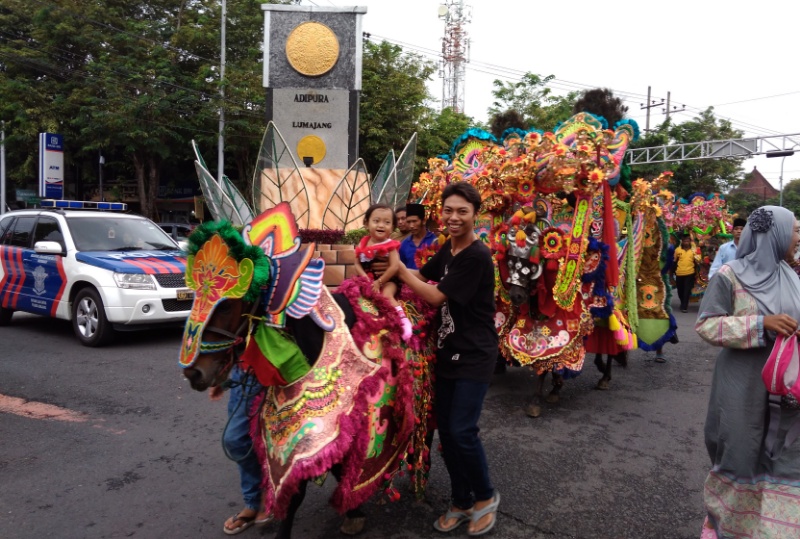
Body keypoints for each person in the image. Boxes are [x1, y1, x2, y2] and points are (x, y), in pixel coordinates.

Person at [396, 182, 500, 536]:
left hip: (475, 355)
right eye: (448, 210)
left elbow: (435, 296)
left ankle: (485, 497)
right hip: (446, 354)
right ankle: (461, 500)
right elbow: (418, 281)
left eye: (462, 211)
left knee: (462, 431)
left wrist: (398, 269)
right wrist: (382, 290)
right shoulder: (449, 249)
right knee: (447, 433)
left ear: (475, 215)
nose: (453, 218)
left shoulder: (476, 255)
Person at [695, 206, 800, 539]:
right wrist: (760, 324)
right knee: (740, 454)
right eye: (795, 230)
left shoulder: (792, 276)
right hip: (742, 388)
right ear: (776, 233)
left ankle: (773, 530)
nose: (798, 237)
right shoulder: (730, 274)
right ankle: (730, 529)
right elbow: (706, 324)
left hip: (788, 389)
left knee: (784, 458)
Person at [209, 366, 271, 535]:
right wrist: (221, 375)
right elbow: (231, 341)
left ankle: (266, 495)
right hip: (244, 373)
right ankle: (254, 502)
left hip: (273, 371)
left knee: (260, 439)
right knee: (243, 439)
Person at [354, 203, 413, 340]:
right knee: (355, 297)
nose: (381, 225)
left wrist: (379, 282)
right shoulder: (363, 243)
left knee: (386, 295)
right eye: (376, 221)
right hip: (367, 280)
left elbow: (394, 267)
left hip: (387, 280)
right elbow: (356, 263)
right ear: (366, 223)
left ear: (392, 227)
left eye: (387, 222)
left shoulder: (390, 245)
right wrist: (365, 279)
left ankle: (403, 321)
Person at [399, 203, 438, 269]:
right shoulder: (404, 245)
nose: (411, 226)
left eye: (414, 221)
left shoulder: (435, 241)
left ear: (423, 221)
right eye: (408, 222)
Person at [671, 233, 700, 313]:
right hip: (679, 273)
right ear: (682, 242)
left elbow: (697, 260)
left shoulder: (693, 250)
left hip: (690, 273)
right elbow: (674, 261)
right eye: (685, 241)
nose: (686, 243)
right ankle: (682, 302)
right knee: (680, 290)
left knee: (687, 290)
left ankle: (684, 306)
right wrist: (672, 272)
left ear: (690, 242)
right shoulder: (677, 250)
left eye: (688, 241)